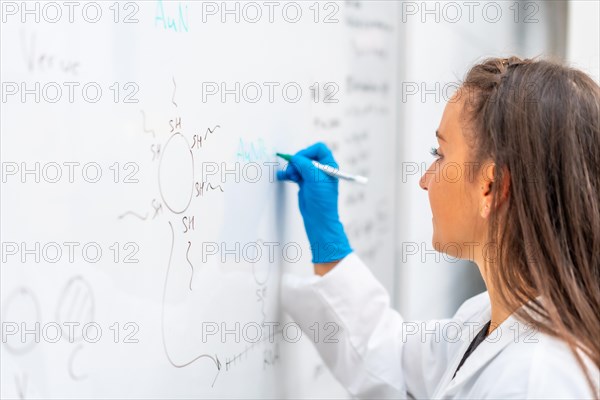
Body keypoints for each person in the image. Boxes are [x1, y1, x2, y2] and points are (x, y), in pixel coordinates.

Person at [277, 57, 600, 399]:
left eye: (440, 154)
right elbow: (392, 360)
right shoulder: (487, 320)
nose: (425, 180)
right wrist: (328, 238)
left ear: (491, 187)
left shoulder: (536, 382)